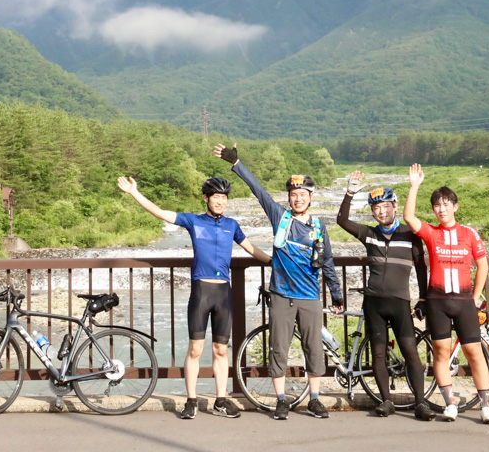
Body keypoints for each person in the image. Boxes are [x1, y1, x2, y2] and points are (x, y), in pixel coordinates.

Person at [117, 174, 272, 419]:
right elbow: (159, 212)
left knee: (221, 350)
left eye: (223, 197)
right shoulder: (193, 221)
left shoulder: (232, 225)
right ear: (206, 198)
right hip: (201, 291)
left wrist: (275, 262)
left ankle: (221, 400)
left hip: (223, 292)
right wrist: (134, 193)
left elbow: (251, 248)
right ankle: (191, 400)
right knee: (195, 349)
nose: (220, 201)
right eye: (216, 197)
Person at [213, 143, 343, 421]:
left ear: (310, 197)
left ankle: (315, 400)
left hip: (309, 295)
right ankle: (282, 400)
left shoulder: (319, 227)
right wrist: (237, 164)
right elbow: (258, 191)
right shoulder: (280, 217)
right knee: (279, 348)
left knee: (313, 348)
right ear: (290, 197)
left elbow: (328, 262)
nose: (298, 199)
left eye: (303, 194)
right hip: (282, 294)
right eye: (294, 195)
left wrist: (336, 295)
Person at [402, 163, 489, 425]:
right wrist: (414, 187)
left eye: (445, 204)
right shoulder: (431, 233)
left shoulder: (469, 233)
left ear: (455, 206)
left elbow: (483, 265)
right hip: (438, 302)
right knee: (441, 352)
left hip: (465, 302)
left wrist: (476, 297)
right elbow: (409, 217)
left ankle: (486, 406)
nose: (441, 209)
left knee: (474, 352)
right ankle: (450, 403)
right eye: (436, 205)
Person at [337, 171, 434, 421]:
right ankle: (386, 401)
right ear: (372, 212)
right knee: (378, 353)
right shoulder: (369, 234)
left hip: (400, 302)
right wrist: (350, 193)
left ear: (395, 206)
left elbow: (421, 267)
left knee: (410, 351)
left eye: (385, 206)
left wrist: (423, 298)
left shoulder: (409, 234)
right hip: (374, 303)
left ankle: (421, 403)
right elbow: (342, 221)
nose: (381, 212)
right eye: (376, 208)